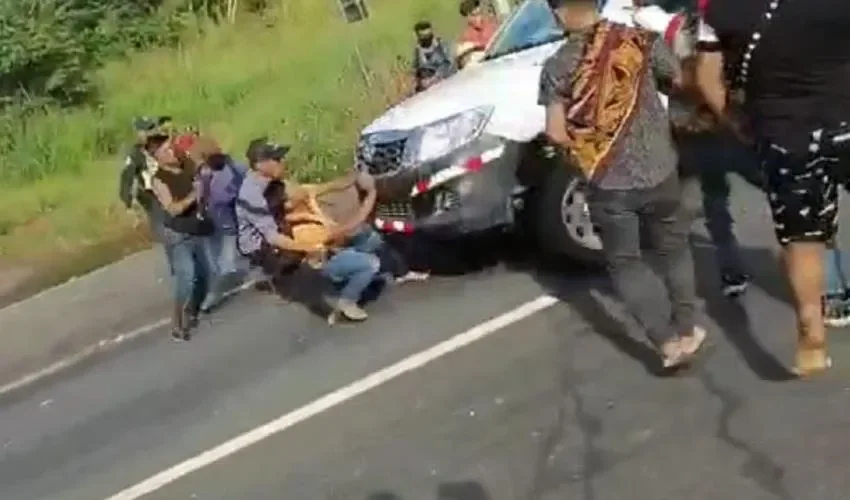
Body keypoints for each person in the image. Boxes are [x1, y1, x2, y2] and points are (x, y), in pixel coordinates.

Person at [540, 0, 706, 369]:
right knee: (674, 248)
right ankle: (686, 328)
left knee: (626, 262)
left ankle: (665, 344)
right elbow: (679, 81)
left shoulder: (556, 67)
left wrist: (587, 149)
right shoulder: (638, 41)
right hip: (659, 169)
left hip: (607, 181)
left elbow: (555, 131)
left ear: (558, 12)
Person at [693, 0, 850, 375]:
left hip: (783, 133)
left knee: (801, 240)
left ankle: (811, 335)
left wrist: (736, 122)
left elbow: (705, 77)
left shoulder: (718, 11)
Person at [671, 57, 761, 297]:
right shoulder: (716, 75)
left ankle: (731, 273)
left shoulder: (678, 87)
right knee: (779, 191)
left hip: (700, 151)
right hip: (731, 143)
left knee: (716, 209)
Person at [235, 138, 325, 294]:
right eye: (276, 159)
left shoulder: (271, 180)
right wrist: (309, 248)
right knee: (310, 243)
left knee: (316, 231)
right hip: (257, 245)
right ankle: (276, 274)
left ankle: (286, 270)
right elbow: (272, 237)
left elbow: (300, 192)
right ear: (260, 165)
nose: (282, 161)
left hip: (276, 225)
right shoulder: (252, 194)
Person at [148, 133, 211, 341]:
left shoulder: (185, 164)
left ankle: (192, 311)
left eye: (171, 147)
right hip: (177, 233)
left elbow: (201, 173)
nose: (172, 152)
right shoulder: (159, 180)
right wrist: (195, 195)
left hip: (195, 226)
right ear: (156, 157)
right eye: (165, 151)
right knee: (187, 276)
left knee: (204, 275)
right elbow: (172, 209)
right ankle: (178, 320)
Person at [188, 136, 250, 312]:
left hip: (230, 223)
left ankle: (211, 297)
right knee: (215, 264)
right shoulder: (202, 174)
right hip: (212, 225)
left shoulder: (234, 169)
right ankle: (210, 292)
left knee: (226, 265)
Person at [412, 21, 455, 93]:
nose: (426, 38)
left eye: (428, 35)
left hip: (443, 83)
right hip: (426, 86)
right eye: (423, 36)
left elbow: (449, 64)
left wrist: (434, 78)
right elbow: (416, 70)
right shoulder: (418, 50)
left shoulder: (441, 45)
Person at [456, 0, 499, 68]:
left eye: (480, 13)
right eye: (474, 15)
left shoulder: (491, 25)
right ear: (467, 17)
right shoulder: (466, 36)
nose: (479, 18)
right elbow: (461, 61)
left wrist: (475, 45)